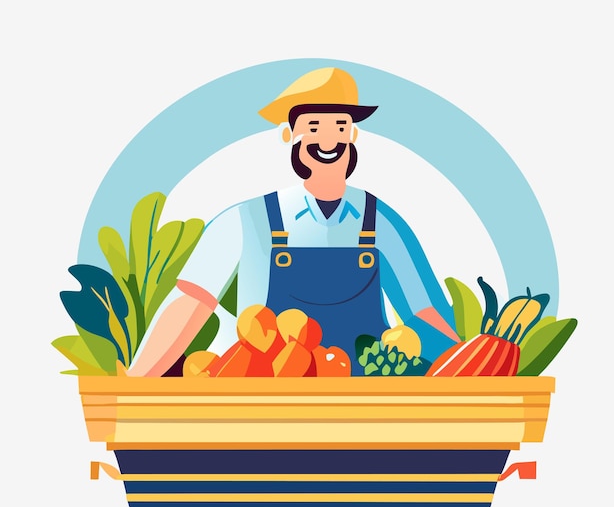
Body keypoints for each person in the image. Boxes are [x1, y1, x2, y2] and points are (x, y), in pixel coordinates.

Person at [127, 67, 460, 377]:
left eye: (339, 128)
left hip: (363, 398)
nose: (328, 141)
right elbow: (192, 302)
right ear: (290, 135)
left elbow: (424, 311)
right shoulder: (246, 219)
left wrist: (470, 367)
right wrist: (137, 379)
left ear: (353, 135)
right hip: (268, 399)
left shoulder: (381, 221)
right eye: (314, 128)